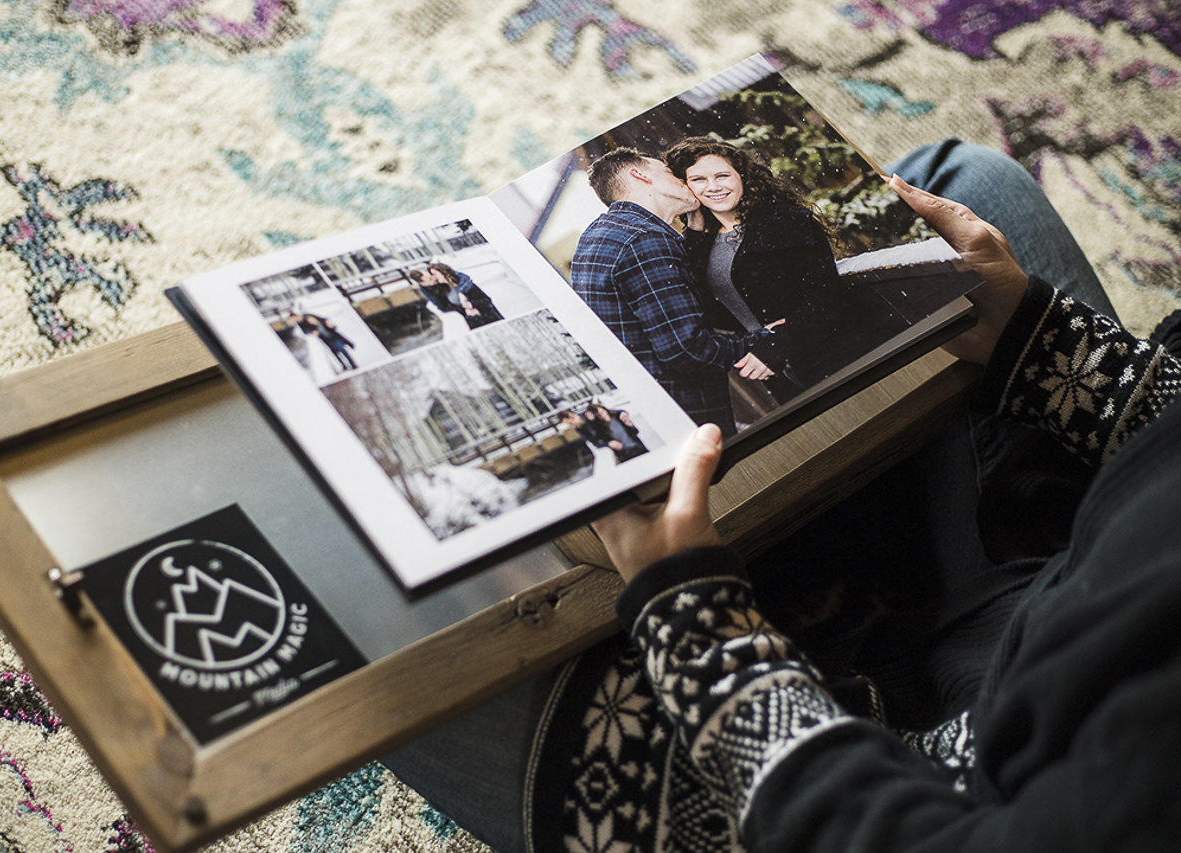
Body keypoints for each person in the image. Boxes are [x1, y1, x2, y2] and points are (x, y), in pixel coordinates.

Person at [380, 140, 1181, 853]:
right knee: (962, 179)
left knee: (386, 644)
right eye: (680, 172)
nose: (692, 182)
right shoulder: (661, 236)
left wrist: (693, 617)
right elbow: (689, 338)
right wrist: (1045, 340)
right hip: (1085, 547)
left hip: (940, 771)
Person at [664, 136, 904, 399]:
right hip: (783, 375)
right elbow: (703, 307)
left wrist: (780, 342)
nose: (713, 187)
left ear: (741, 176)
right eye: (698, 180)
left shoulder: (782, 222)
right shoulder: (703, 242)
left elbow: (826, 298)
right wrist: (695, 230)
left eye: (722, 175)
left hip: (838, 356)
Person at [569, 147, 784, 436]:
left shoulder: (602, 234)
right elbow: (687, 349)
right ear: (640, 175)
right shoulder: (643, 239)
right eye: (670, 174)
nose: (684, 182)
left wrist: (694, 232)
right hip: (688, 410)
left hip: (658, 406)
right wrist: (766, 338)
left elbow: (665, 296)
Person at [426, 262, 504, 329]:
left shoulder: (463, 283)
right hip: (473, 322)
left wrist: (473, 305)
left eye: (434, 274)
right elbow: (443, 306)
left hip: (489, 318)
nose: (434, 277)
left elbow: (485, 300)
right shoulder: (444, 290)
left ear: (442, 271)